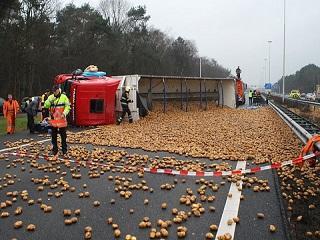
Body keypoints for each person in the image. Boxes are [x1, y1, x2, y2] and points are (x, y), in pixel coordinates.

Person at [44, 85, 71, 157]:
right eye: (54, 91)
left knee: (63, 136)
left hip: (62, 120)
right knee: (54, 136)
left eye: (56, 91)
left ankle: (64, 150)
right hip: (54, 120)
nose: (55, 92)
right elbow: (46, 106)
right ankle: (54, 150)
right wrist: (50, 100)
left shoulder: (64, 97)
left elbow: (68, 106)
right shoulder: (51, 97)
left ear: (58, 90)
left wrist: (64, 113)